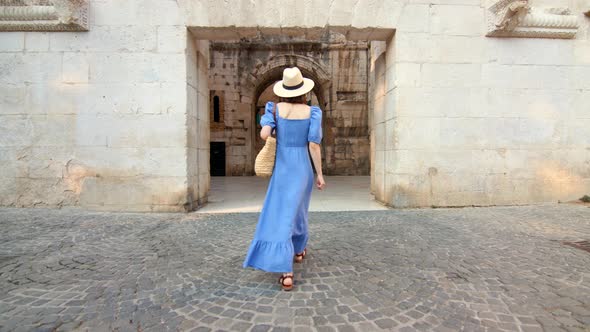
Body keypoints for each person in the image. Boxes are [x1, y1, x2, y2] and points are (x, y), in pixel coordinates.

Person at [243, 67, 326, 291]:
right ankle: (297, 253)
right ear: (303, 91)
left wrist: (271, 126)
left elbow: (264, 134)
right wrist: (319, 174)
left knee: (282, 214)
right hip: (303, 169)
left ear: (284, 90)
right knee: (299, 210)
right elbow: (314, 145)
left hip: (283, 169)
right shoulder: (313, 112)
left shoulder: (274, 108)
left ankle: (287, 270)